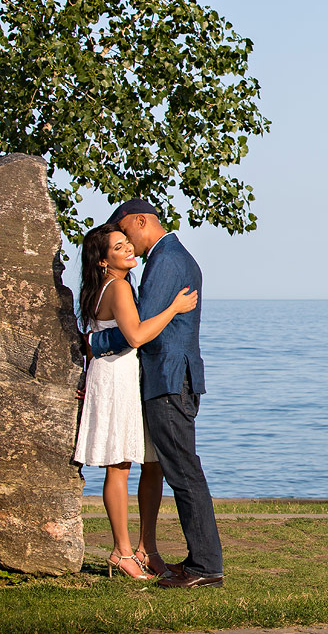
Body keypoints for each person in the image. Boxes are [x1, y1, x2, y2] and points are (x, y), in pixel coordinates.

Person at [88, 199, 225, 589]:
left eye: (125, 233)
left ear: (140, 221)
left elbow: (141, 328)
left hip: (167, 379)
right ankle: (199, 561)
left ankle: (205, 567)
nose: (127, 243)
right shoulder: (173, 257)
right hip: (173, 377)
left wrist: (94, 343)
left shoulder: (165, 261)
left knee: (183, 471)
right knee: (179, 469)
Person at [75, 224, 198, 580]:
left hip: (122, 376)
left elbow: (99, 338)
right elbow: (137, 335)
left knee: (151, 462)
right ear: (102, 261)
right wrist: (174, 307)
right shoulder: (117, 287)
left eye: (127, 242)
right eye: (118, 247)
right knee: (119, 464)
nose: (129, 248)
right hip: (116, 379)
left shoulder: (112, 286)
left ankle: (147, 548)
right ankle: (122, 551)